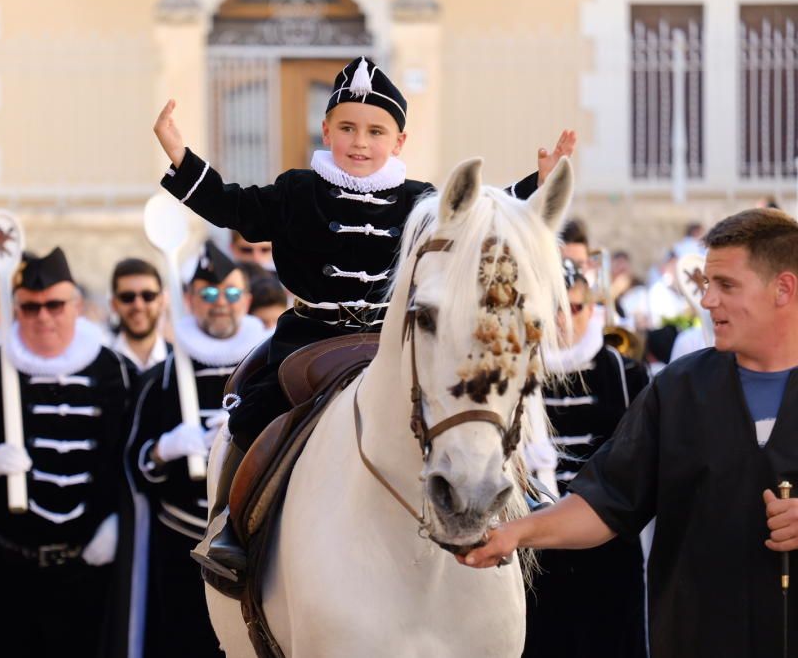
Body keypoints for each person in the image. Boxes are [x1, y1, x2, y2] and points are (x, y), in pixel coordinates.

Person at [154, 54, 576, 577]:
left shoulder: (420, 200)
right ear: (326, 129)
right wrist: (181, 156)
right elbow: (231, 206)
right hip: (308, 339)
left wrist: (536, 184)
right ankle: (231, 526)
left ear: (398, 141)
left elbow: (476, 218)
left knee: (462, 402)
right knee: (252, 413)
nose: (360, 141)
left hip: (387, 340)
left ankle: (518, 496)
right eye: (348, 128)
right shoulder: (295, 190)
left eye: (376, 131)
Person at [460, 208, 798, 658]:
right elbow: (607, 501)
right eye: (707, 286)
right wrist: (515, 534)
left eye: (726, 286)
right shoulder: (677, 392)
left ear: (784, 288)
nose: (707, 301)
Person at [0, 247, 141, 658]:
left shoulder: (118, 372)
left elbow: (137, 463)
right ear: (15, 310)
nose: (43, 317)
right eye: (30, 307)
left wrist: (120, 523)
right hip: (2, 574)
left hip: (89, 573)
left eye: (55, 305)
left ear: (76, 306)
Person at [130, 241, 266, 657]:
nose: (219, 304)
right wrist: (164, 450)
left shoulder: (270, 370)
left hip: (256, 548)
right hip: (180, 545)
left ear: (246, 299)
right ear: (190, 300)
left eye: (229, 293)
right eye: (207, 294)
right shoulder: (161, 377)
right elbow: (135, 464)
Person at [524, 258, 649, 658]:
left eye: (573, 307)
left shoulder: (625, 372)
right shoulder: (516, 374)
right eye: (551, 309)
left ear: (590, 307)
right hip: (534, 547)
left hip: (608, 544)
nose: (562, 320)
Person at [109, 257, 169, 373]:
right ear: (114, 304)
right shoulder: (98, 368)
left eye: (148, 296)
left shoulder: (181, 365)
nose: (138, 306)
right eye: (127, 297)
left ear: (161, 301)